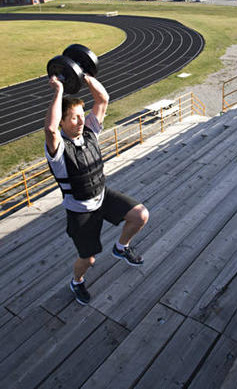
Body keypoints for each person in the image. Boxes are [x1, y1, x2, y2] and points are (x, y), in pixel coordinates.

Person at [44, 73, 149, 306]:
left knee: (140, 215)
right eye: (73, 118)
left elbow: (102, 99)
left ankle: (121, 248)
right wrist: (59, 90)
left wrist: (83, 76)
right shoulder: (59, 149)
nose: (80, 122)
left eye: (81, 116)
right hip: (80, 211)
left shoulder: (89, 131)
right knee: (88, 259)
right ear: (62, 121)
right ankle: (77, 281)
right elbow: (50, 129)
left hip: (102, 196)